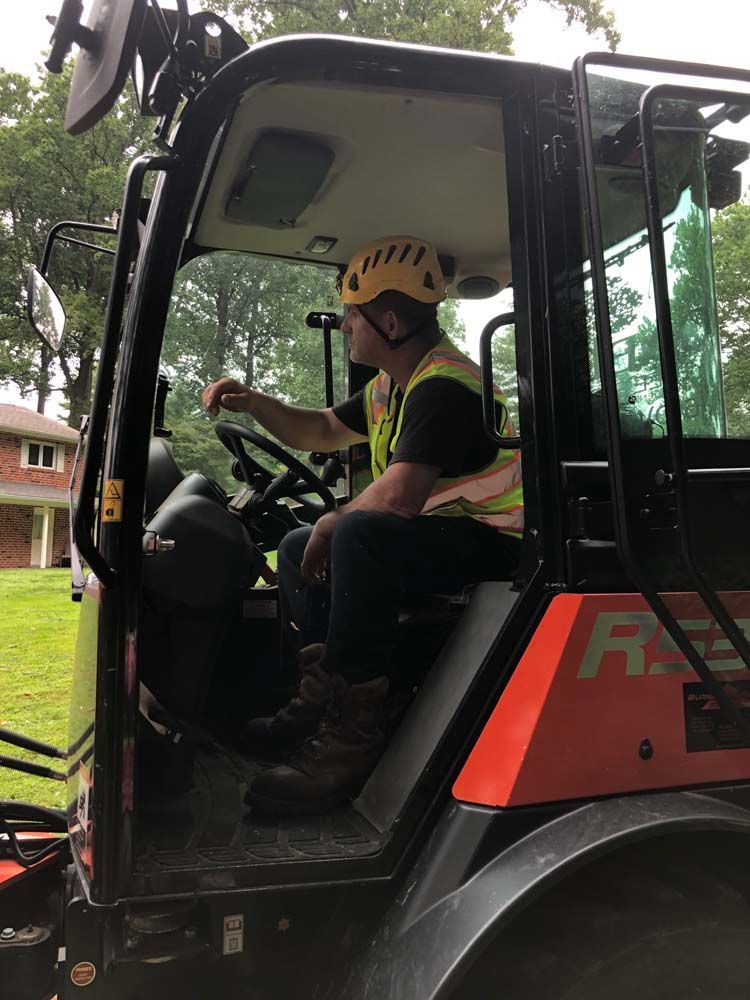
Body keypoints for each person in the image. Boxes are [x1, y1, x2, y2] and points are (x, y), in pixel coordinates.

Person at [202, 236, 523, 816]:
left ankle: (352, 739)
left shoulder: (445, 386)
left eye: (354, 314)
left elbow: (399, 498)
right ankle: (319, 697)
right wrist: (256, 404)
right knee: (300, 540)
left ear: (391, 321)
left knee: (353, 533)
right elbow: (322, 429)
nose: (347, 325)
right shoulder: (392, 383)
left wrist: (334, 522)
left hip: (494, 543)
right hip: (441, 534)